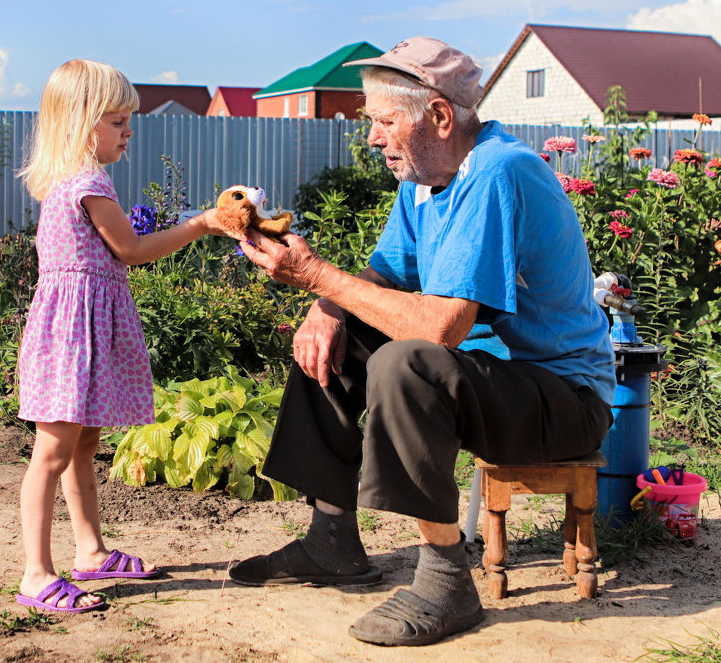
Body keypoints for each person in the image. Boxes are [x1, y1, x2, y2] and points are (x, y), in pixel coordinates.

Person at [229, 37, 616, 646]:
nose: (374, 138)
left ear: (438, 117)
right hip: (492, 382)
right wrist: (323, 303)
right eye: (372, 122)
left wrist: (317, 274)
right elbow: (386, 272)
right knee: (333, 333)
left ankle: (444, 582)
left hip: (563, 398)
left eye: (385, 122)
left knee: (407, 362)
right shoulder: (425, 180)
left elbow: (439, 330)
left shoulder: (497, 172)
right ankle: (330, 540)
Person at [14, 59, 227, 613]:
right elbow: (130, 251)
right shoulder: (87, 182)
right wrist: (202, 223)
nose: (128, 130)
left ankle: (90, 550)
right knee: (53, 451)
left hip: (79, 330)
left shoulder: (78, 179)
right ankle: (36, 574)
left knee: (83, 442)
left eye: (128, 119)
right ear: (82, 123)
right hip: (72, 337)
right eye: (116, 121)